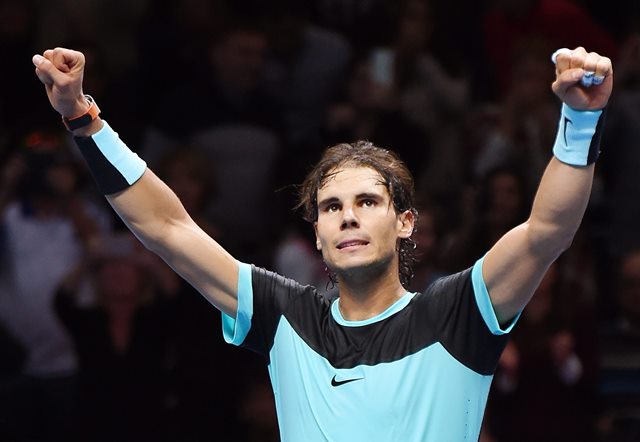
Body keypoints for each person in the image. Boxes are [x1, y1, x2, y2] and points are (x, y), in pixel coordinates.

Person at [31, 45, 612, 441]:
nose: (347, 217)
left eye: (368, 202)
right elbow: (166, 227)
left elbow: (547, 231)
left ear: (406, 222)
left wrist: (580, 121)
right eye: (331, 207)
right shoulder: (285, 313)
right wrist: (82, 118)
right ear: (317, 234)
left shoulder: (457, 312)